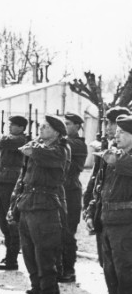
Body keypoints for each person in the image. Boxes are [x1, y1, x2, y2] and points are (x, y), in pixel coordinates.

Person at [8, 115, 71, 294]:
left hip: (45, 206)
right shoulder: (35, 148)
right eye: (41, 126)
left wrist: (33, 150)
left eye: (45, 127)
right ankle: (37, 291)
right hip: (27, 204)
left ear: (56, 132)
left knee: (44, 255)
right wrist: (13, 206)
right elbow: (22, 179)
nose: (41, 129)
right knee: (28, 255)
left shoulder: (61, 149)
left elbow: (50, 158)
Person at [86, 114, 132, 294]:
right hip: (106, 221)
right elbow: (99, 188)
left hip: (126, 224)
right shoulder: (112, 157)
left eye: (122, 132)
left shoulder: (118, 159)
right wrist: (90, 213)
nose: (116, 136)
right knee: (109, 269)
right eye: (117, 132)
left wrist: (113, 159)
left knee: (126, 270)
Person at [0, 115, 27, 271]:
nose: (10, 127)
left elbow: (4, 142)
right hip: (1, 181)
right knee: (3, 222)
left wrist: (0, 137)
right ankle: (8, 255)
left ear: (21, 128)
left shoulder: (22, 140)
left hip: (11, 183)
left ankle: (12, 259)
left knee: (11, 222)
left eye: (13, 125)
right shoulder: (10, 139)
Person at [58, 112, 88, 283]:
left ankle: (68, 269)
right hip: (59, 190)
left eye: (68, 124)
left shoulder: (77, 144)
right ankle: (58, 267)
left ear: (77, 126)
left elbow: (61, 144)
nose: (65, 127)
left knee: (68, 232)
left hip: (70, 192)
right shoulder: (62, 142)